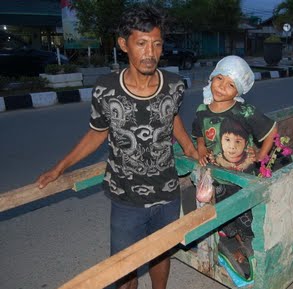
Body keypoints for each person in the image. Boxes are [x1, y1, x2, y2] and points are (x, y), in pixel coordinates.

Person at [37, 5, 198, 289]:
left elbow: (172, 117)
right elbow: (96, 134)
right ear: (124, 45)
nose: (150, 52)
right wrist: (59, 167)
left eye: (156, 44)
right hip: (125, 197)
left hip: (167, 191)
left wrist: (189, 147)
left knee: (162, 252)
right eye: (141, 43)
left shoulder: (175, 85)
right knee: (125, 265)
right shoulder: (106, 89)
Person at [191, 55, 277, 278]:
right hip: (220, 178)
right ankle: (231, 239)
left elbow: (271, 130)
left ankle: (247, 241)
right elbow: (199, 134)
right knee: (224, 211)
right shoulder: (202, 110)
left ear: (237, 91)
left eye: (231, 84)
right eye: (219, 78)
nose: (222, 87)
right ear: (212, 78)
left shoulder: (244, 111)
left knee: (247, 217)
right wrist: (201, 149)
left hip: (245, 179)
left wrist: (261, 154)